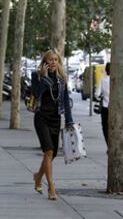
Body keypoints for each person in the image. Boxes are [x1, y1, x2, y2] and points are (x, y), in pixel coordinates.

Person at [31, 49, 74, 201]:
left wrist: (69, 121)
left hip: (56, 119)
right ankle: (51, 187)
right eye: (50, 60)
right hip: (41, 117)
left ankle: (38, 177)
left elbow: (66, 102)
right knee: (48, 150)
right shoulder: (36, 76)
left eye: (56, 59)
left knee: (52, 154)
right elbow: (35, 94)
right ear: (45, 62)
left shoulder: (61, 79)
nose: (53, 62)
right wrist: (43, 78)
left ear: (59, 62)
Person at [95, 62, 110, 147]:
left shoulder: (103, 79)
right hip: (116, 109)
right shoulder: (118, 80)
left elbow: (97, 94)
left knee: (105, 127)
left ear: (105, 70)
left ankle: (108, 145)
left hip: (105, 107)